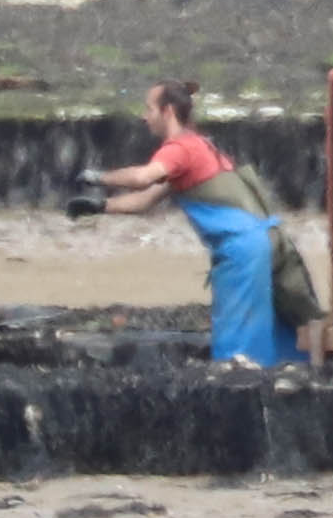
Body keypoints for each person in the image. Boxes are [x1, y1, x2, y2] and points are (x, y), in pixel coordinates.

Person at [85, 80, 296, 365]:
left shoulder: (180, 149)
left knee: (237, 343)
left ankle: (243, 390)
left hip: (241, 250)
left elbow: (143, 178)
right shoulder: (198, 146)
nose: (144, 117)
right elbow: (144, 201)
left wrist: (99, 177)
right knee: (265, 329)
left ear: (168, 111)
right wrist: (99, 206)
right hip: (257, 244)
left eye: (149, 109)